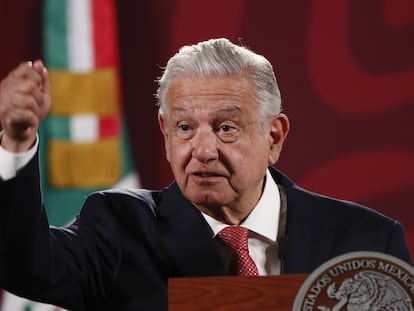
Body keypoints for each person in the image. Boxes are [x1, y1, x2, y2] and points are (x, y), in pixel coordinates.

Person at [0, 38, 411, 310]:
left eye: (225, 127)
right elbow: (28, 268)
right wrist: (17, 145)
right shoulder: (119, 229)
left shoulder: (366, 242)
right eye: (184, 128)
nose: (202, 149)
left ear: (274, 136)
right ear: (165, 134)